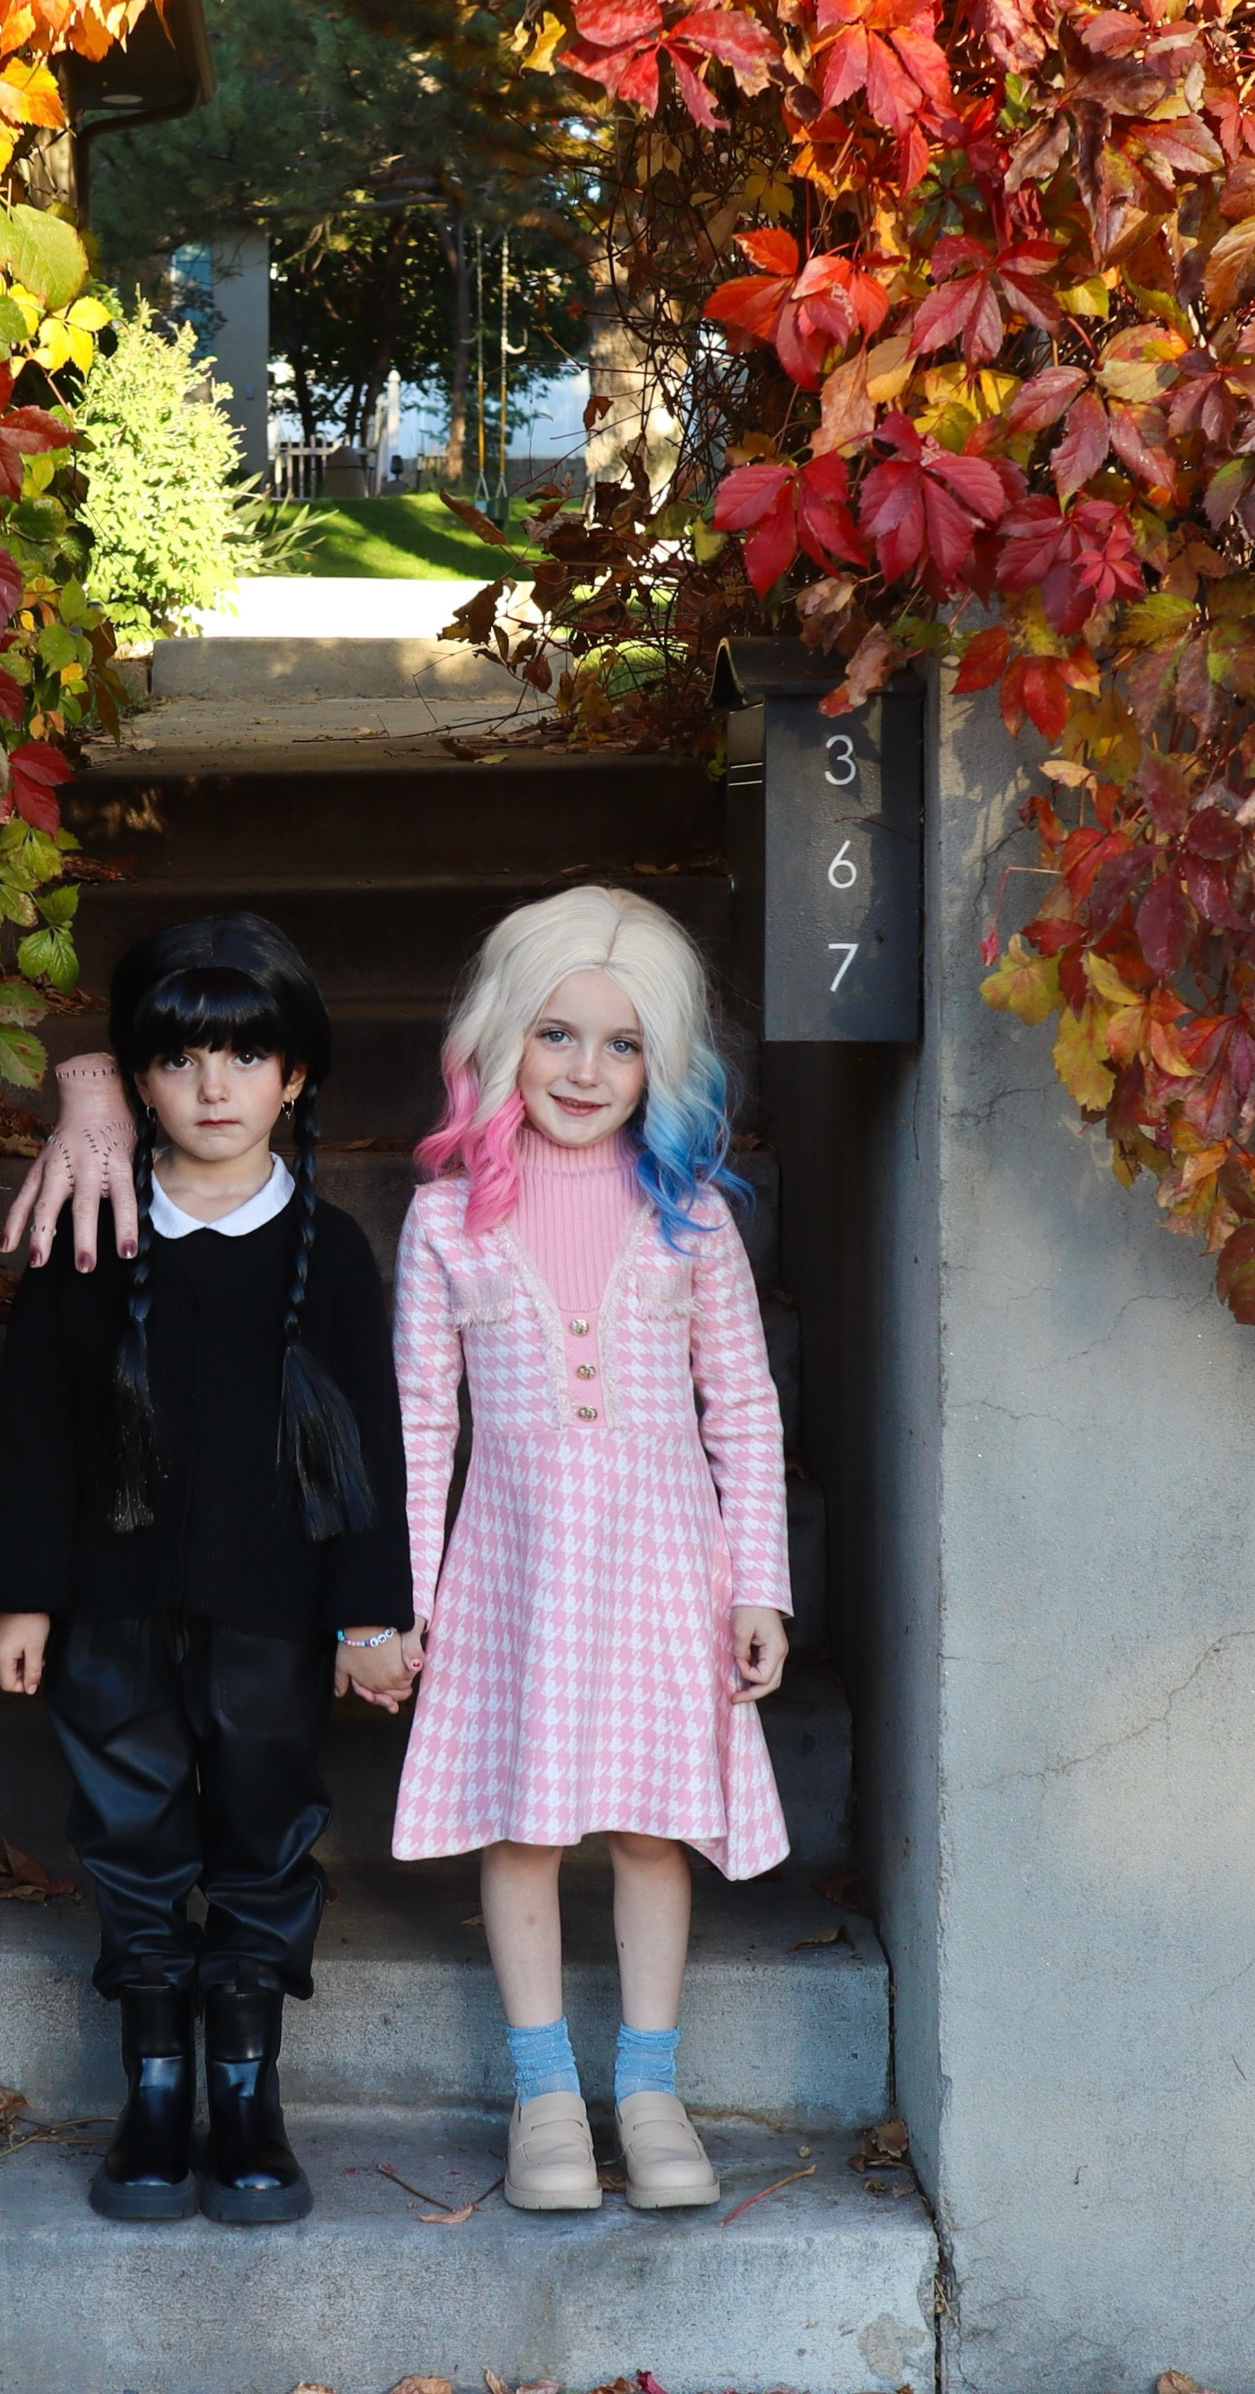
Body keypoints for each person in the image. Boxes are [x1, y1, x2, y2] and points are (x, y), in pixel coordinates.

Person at [0, 914, 418, 2226]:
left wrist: (369, 1612)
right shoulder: (91, 1228)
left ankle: (248, 2087)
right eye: (179, 1059)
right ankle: (157, 2090)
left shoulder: (328, 1253)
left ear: (296, 1080)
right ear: (140, 1078)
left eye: (247, 1058)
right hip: (110, 1611)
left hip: (275, 1617)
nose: (214, 1088)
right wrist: (21, 1589)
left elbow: (372, 1439)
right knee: (131, 1835)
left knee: (264, 1839)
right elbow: (30, 1421)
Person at [390, 885, 791, 2214]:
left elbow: (743, 1409)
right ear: (507, 1035)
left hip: (666, 1569)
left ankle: (650, 2086)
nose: (586, 1071)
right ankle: (546, 2092)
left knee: (647, 1830)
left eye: (623, 1047)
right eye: (559, 1035)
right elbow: (414, 1421)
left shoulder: (692, 1221)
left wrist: (761, 1589)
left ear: (661, 1065)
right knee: (520, 1829)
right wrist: (399, 1602)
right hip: (511, 1569)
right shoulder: (450, 1221)